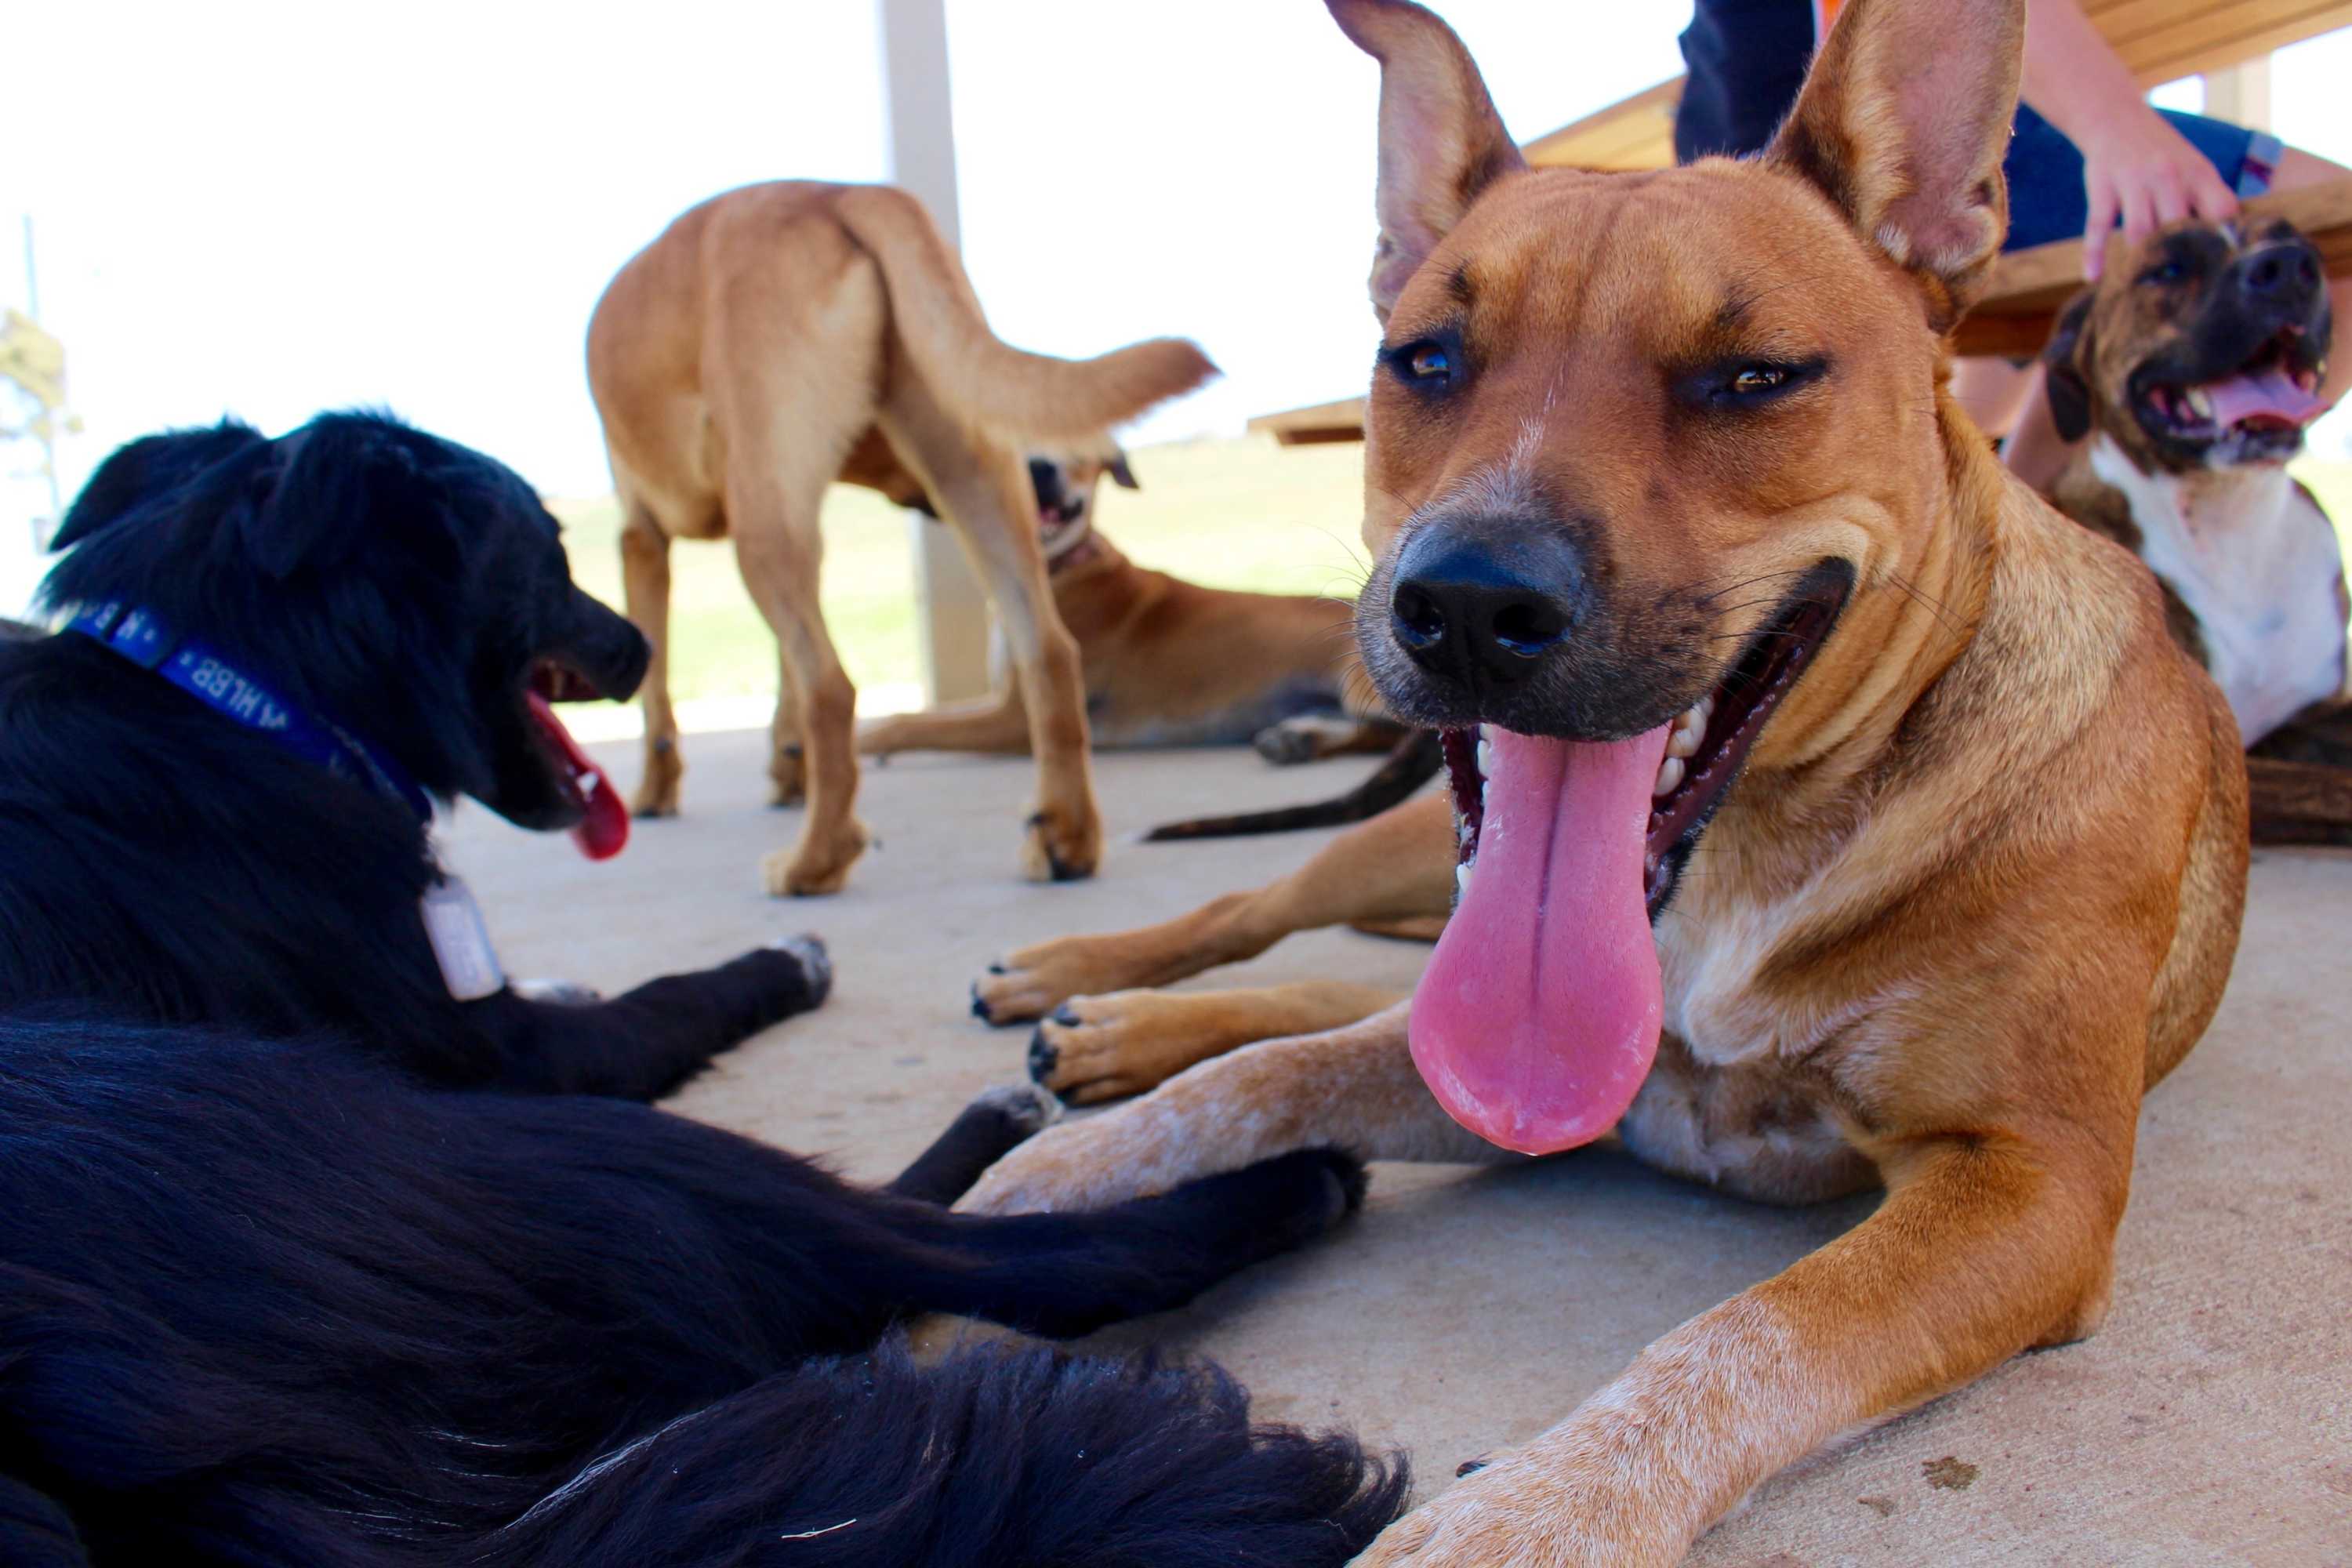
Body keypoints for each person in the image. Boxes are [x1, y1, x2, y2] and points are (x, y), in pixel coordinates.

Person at [1675, 0, 2351, 487]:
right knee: (2333, 245)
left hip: (1772, 104)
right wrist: (2120, 130)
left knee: (1983, 399)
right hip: (1833, 110)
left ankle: (2044, 560)